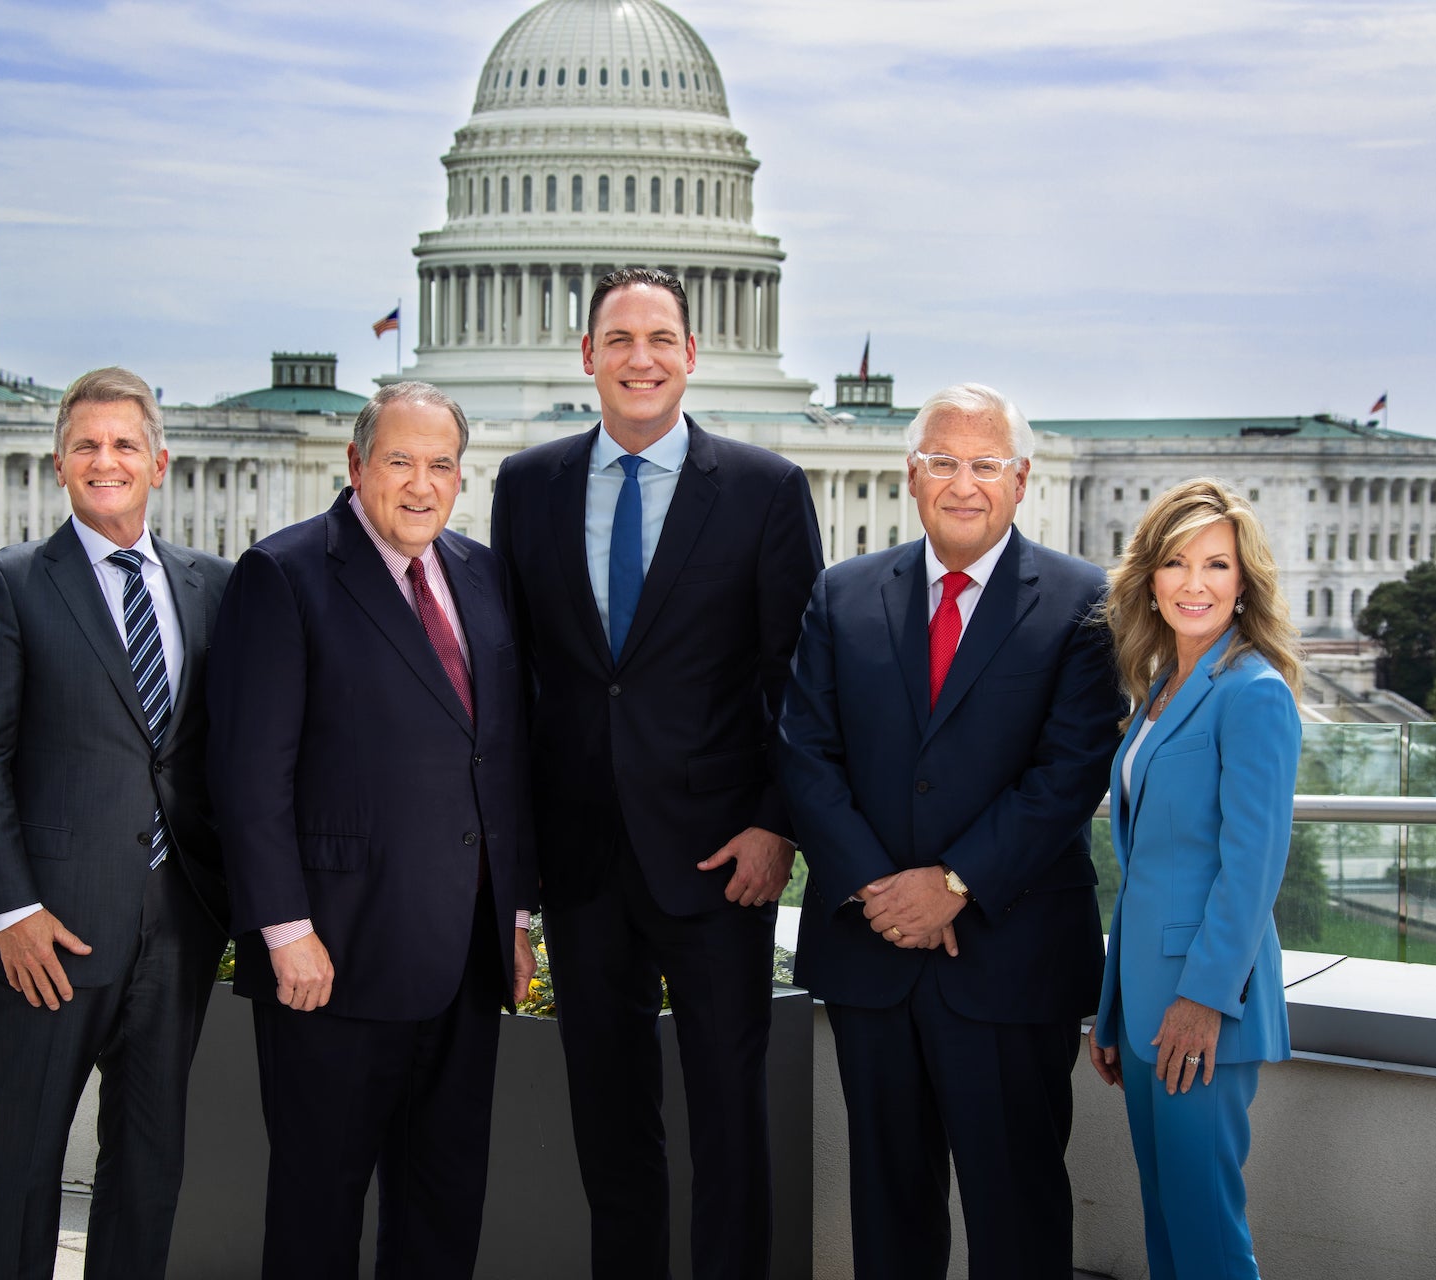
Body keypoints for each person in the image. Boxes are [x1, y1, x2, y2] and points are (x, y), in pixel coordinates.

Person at [488, 267, 823, 1279]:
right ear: (587, 355)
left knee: (730, 1113)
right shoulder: (529, 484)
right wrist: (516, 872)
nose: (641, 357)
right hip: (582, 858)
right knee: (609, 1113)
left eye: (661, 338)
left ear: (691, 356)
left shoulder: (765, 489)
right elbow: (517, 681)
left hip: (723, 858)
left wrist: (776, 824)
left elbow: (796, 680)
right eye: (620, 339)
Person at [777, 382, 1123, 1278]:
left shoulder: (1085, 602)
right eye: (942, 463)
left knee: (1017, 1214)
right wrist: (878, 891)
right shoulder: (842, 594)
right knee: (888, 1214)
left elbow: (1069, 773)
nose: (962, 484)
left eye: (984, 465)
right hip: (872, 952)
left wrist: (954, 885)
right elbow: (805, 754)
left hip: (1011, 958)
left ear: (1020, 480)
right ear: (911, 474)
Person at [206, 381, 536, 1279]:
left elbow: (499, 759)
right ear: (356, 466)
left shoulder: (481, 571)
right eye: (400, 461)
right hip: (332, 959)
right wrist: (285, 930)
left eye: (441, 465)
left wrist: (513, 919)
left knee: (443, 1204)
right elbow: (247, 776)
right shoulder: (284, 574)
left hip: (464, 956)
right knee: (319, 1209)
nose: (422, 484)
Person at [0, 366, 231, 1280]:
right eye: (87, 446)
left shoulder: (213, 586)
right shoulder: (8, 584)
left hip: (177, 926)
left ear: (160, 463)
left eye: (125, 445)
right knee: (22, 1159)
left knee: (148, 1167)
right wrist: (9, 911)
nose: (107, 461)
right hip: (49, 933)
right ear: (60, 464)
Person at [1087, 477, 1303, 1279]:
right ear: (1152, 578)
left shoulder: (1253, 692)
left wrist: (1204, 1001)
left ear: (1244, 582)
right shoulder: (1158, 694)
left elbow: (1252, 868)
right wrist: (1111, 1005)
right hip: (1147, 1002)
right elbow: (1146, 872)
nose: (1195, 583)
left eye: (1217, 564)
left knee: (1208, 1236)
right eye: (1177, 563)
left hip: (1204, 1008)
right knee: (1169, 1224)